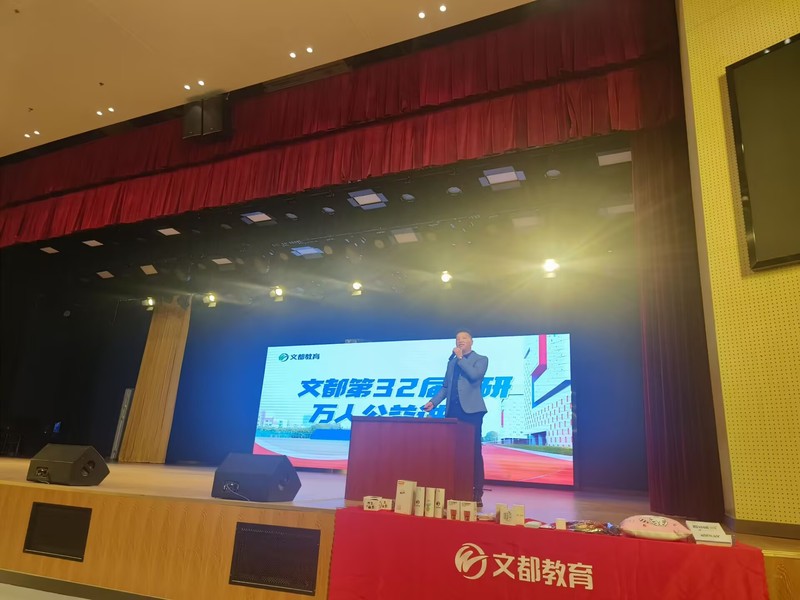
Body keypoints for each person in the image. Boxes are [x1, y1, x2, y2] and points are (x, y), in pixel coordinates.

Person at [423, 330, 489, 507]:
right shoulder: (452, 363)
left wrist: (460, 358)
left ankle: (476, 492)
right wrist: (433, 402)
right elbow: (446, 387)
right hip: (452, 412)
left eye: (464, 338)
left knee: (473, 452)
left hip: (472, 412)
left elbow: (474, 376)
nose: (460, 341)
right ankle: (455, 488)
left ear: (472, 341)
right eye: (457, 339)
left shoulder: (481, 359)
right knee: (453, 453)